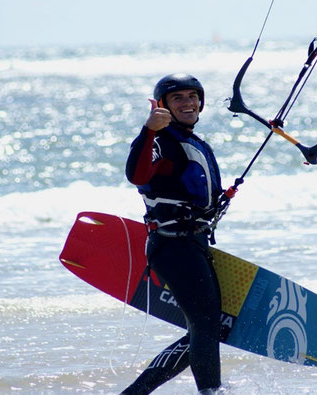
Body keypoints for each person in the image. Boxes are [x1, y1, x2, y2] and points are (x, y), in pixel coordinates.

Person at [122, 74, 224, 394]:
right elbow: (136, 175)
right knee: (205, 326)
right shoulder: (161, 141)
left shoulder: (189, 141)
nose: (188, 102)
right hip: (172, 246)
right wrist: (149, 129)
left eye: (193, 96)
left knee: (206, 328)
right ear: (163, 105)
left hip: (192, 244)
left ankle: (135, 393)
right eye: (178, 98)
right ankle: (210, 391)